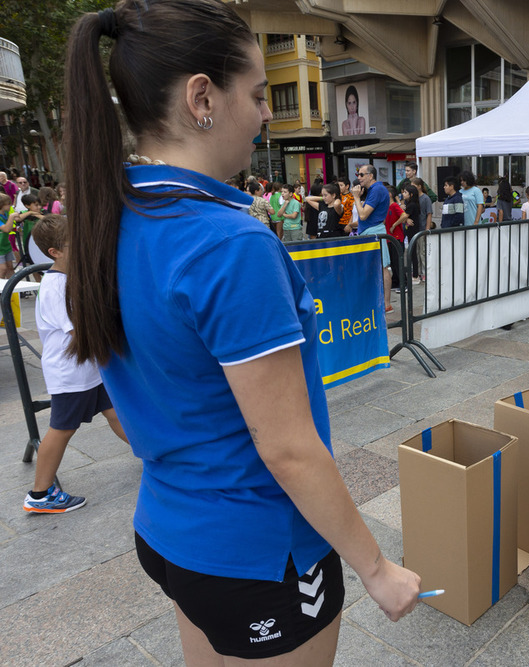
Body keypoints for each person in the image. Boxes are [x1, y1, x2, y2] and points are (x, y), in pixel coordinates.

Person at [62, 3, 419, 663]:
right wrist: (376, 568)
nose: (265, 114)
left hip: (170, 532)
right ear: (203, 96)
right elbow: (288, 448)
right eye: (256, 94)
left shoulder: (112, 220)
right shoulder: (228, 243)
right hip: (260, 552)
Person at [24, 215, 130, 514]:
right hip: (72, 375)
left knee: (116, 413)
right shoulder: (57, 287)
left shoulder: (68, 280)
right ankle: (39, 493)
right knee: (61, 429)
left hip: (88, 371)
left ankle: (150, 455)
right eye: (76, 243)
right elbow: (80, 332)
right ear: (54, 252)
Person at [351, 164, 393, 312]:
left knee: (383, 266)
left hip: (373, 231)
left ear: (370, 175)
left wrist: (356, 198)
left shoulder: (377, 190)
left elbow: (363, 215)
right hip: (370, 230)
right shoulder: (375, 190)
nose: (359, 178)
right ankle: (381, 301)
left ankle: (387, 304)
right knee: (376, 267)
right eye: (358, 174)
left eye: (361, 175)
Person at [0, 193, 14, 278]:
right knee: (3, 269)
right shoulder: (9, 216)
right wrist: (12, 217)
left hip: (6, 246)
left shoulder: (6, 214)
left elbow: (18, 218)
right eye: (8, 204)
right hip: (0, 248)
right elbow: (6, 229)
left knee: (10, 268)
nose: (10, 205)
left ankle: (13, 289)